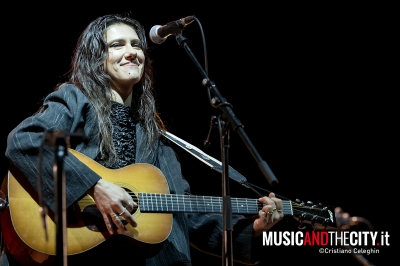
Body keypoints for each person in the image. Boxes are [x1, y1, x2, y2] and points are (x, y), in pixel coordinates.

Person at [0, 13, 284, 266]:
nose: (131, 52)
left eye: (136, 45)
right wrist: (95, 186)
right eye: (117, 45)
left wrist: (253, 228)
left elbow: (188, 218)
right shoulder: (75, 100)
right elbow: (26, 141)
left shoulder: (155, 138)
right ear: (96, 57)